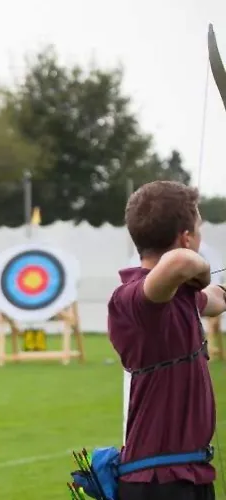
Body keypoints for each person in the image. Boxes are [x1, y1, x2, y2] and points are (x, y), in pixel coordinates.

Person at [108, 180, 223, 500]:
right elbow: (180, 263)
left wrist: (213, 288)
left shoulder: (178, 296)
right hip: (157, 482)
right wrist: (199, 270)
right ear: (187, 238)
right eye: (198, 229)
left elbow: (213, 298)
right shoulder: (133, 299)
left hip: (187, 474)